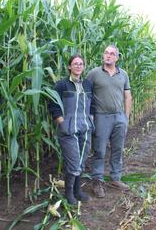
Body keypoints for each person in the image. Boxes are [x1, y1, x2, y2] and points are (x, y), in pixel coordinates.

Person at [86, 45, 132, 198]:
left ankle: (115, 178)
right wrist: (89, 115)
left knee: (118, 149)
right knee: (100, 150)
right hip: (101, 117)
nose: (108, 56)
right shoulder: (94, 73)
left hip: (119, 117)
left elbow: (127, 96)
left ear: (117, 58)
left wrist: (125, 117)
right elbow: (86, 95)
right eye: (106, 53)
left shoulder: (123, 74)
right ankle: (97, 181)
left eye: (112, 54)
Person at [48, 54, 94, 205]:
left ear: (84, 66)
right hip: (68, 130)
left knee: (81, 160)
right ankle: (69, 193)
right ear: (69, 66)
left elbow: (92, 104)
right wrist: (62, 122)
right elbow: (53, 105)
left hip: (84, 128)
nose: (78, 66)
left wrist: (90, 119)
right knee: (73, 162)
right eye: (75, 64)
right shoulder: (61, 85)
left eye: (81, 64)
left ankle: (77, 191)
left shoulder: (87, 84)